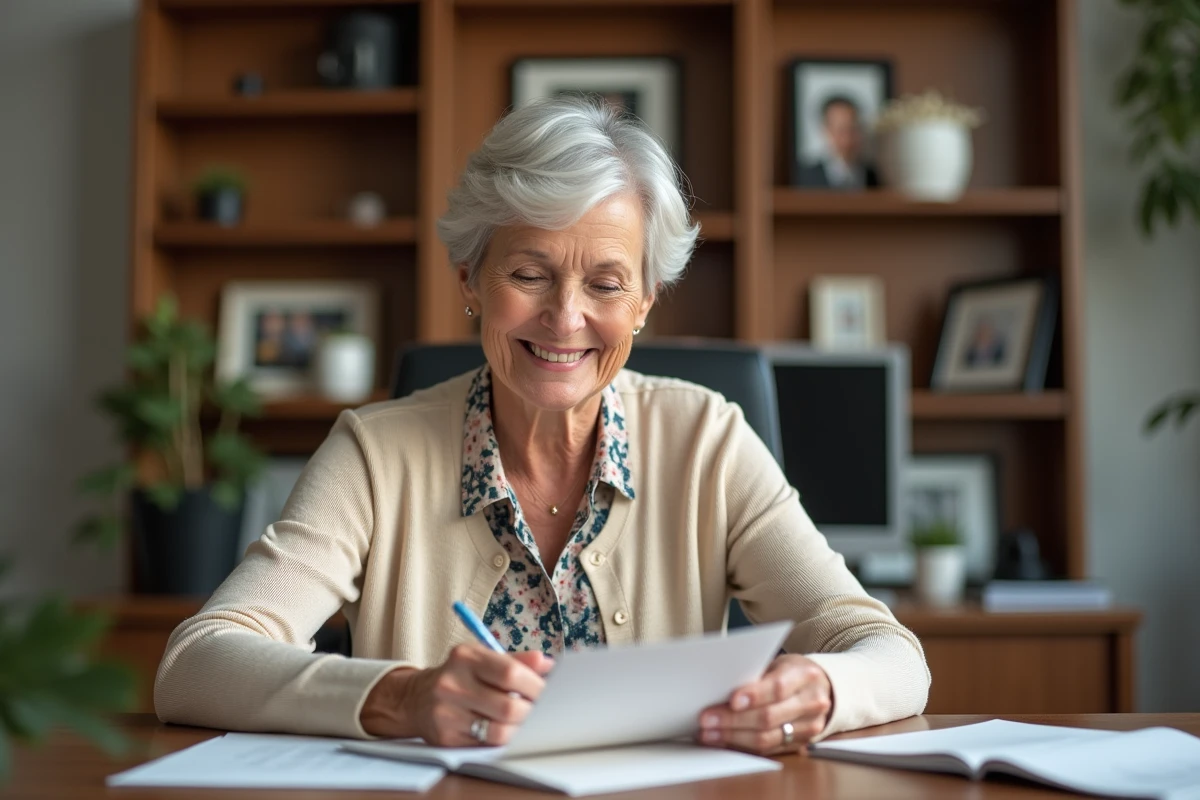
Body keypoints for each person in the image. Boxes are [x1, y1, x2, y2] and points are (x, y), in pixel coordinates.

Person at [155, 96, 929, 754]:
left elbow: (891, 652)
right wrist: (403, 697)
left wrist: (821, 686)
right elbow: (197, 662)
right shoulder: (374, 453)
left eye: (605, 282)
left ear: (644, 300)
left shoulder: (708, 442)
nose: (566, 319)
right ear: (471, 279)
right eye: (529, 274)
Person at [797, 95, 880, 190]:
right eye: (841, 130)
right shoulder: (804, 178)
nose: (847, 139)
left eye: (853, 129)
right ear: (826, 130)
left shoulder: (873, 177)